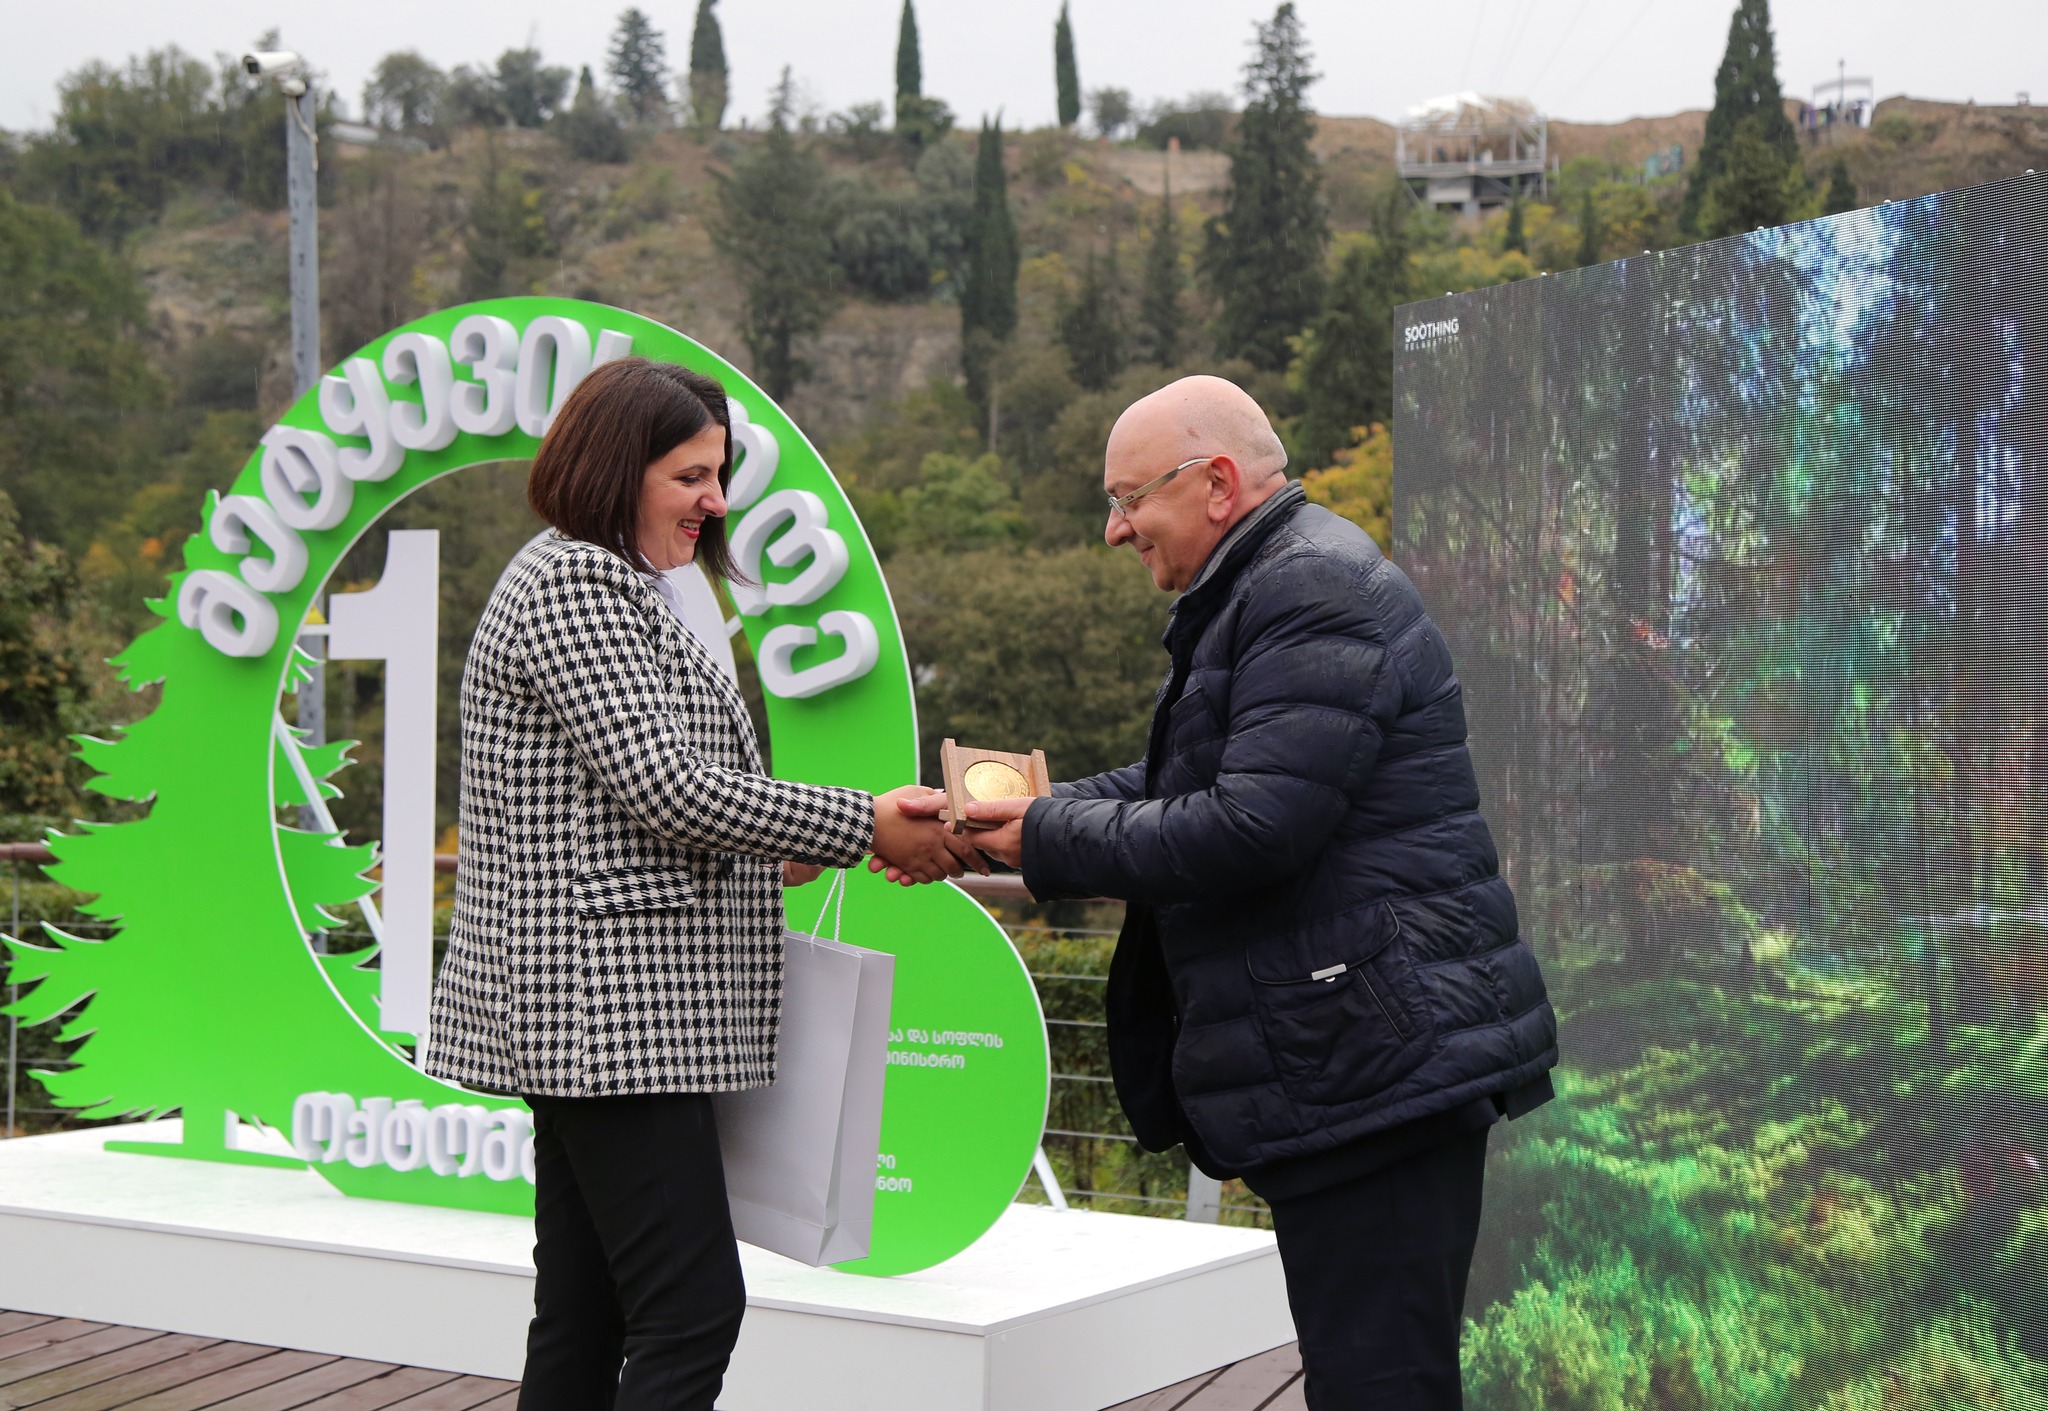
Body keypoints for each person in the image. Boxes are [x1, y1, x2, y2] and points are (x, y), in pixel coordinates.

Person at [920, 375, 1558, 1410]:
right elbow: (1187, 784)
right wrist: (1016, 810)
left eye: (1128, 499)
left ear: (1216, 483)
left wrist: (1038, 831)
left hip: (1375, 1071)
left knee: (1380, 1386)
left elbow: (1251, 826)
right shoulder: (1270, 584)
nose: (1114, 530)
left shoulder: (1306, 589)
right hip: (1363, 1061)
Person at [423, 357, 981, 1411]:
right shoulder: (576, 584)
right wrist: (860, 822)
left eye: (717, 475)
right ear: (613, 468)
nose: (715, 501)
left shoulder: (604, 581)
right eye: (689, 476)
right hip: (605, 1016)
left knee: (586, 1310)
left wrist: (780, 849)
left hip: (601, 1016)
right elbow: (669, 787)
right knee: (689, 1310)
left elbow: (616, 810)